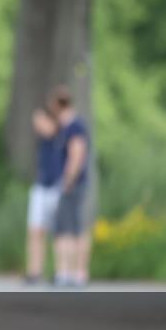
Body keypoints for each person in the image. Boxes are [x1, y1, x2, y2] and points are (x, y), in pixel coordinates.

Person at [49, 86, 91, 288]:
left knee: (68, 229)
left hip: (71, 184)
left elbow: (76, 154)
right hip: (70, 183)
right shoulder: (67, 127)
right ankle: (71, 272)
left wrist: (67, 180)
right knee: (70, 227)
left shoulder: (74, 127)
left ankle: (71, 272)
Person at [24, 107, 61, 284]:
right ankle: (35, 271)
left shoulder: (61, 139)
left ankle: (60, 271)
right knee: (35, 230)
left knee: (57, 232)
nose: (37, 126)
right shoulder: (41, 141)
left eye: (40, 121)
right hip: (41, 187)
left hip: (56, 188)